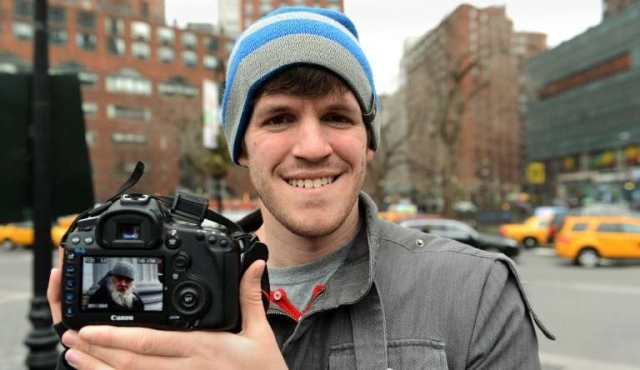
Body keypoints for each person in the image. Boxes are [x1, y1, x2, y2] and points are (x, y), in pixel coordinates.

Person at [47, 6, 554, 369]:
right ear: (241, 148)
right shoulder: (144, 298)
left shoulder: (475, 294)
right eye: (279, 118)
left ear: (368, 141)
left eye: (337, 116)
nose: (312, 146)